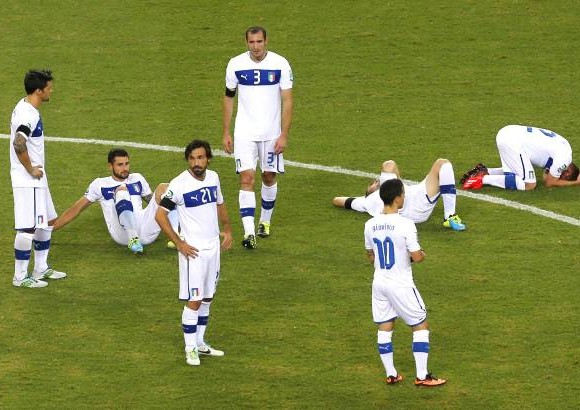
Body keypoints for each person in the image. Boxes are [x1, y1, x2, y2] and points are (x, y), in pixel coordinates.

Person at [155, 140, 233, 366]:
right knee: (195, 299)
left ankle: (200, 343)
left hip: (213, 249)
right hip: (194, 253)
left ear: (208, 158)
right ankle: (190, 348)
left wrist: (227, 229)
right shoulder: (179, 184)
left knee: (208, 297)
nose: (196, 163)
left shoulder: (214, 178)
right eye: (192, 158)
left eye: (200, 158)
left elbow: (220, 203)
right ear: (188, 160)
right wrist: (179, 243)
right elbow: (160, 215)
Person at [364, 178, 446, 387]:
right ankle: (422, 376)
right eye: (403, 194)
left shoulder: (370, 224)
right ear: (398, 198)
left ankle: (391, 374)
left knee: (385, 326)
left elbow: (371, 257)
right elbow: (417, 256)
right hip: (400, 284)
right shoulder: (406, 224)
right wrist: (420, 255)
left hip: (379, 283)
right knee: (420, 325)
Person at [223, 26, 294, 249]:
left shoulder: (280, 63)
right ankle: (248, 233)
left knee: (269, 177)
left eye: (259, 42)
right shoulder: (235, 64)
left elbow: (288, 101)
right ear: (246, 43)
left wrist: (284, 134)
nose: (255, 46)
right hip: (244, 132)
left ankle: (265, 220)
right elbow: (228, 98)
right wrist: (226, 131)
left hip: (272, 135)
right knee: (246, 180)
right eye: (251, 42)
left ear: (266, 41)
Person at [52, 148, 177, 254]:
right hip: (123, 235)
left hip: (146, 231)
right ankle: (133, 240)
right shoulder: (99, 184)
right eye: (120, 165)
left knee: (165, 188)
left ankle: (177, 236)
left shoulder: (137, 178)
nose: (125, 168)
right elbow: (76, 209)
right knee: (122, 190)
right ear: (110, 166)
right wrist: (48, 230)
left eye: (127, 163)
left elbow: (153, 203)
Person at [10, 69, 67, 288]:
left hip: (37, 179)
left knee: (47, 222)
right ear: (38, 90)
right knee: (27, 228)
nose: (51, 90)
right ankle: (20, 277)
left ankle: (41, 268)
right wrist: (30, 169)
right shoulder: (28, 115)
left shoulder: (26, 105)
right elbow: (18, 143)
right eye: (48, 88)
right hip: (28, 180)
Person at [332, 159, 466, 231]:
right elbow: (391, 167)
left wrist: (368, 194)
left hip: (401, 205)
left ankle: (450, 217)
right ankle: (449, 216)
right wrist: (371, 191)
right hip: (416, 205)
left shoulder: (367, 202)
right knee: (442, 164)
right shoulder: (370, 199)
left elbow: (338, 200)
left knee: (389, 165)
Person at [461, 125, 580, 190]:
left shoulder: (564, 148)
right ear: (568, 172)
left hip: (509, 132)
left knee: (520, 173)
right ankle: (482, 179)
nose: (559, 178)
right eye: (563, 177)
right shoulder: (563, 159)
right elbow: (549, 182)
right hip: (513, 142)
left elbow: (545, 177)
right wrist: (575, 182)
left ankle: (485, 171)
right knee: (529, 184)